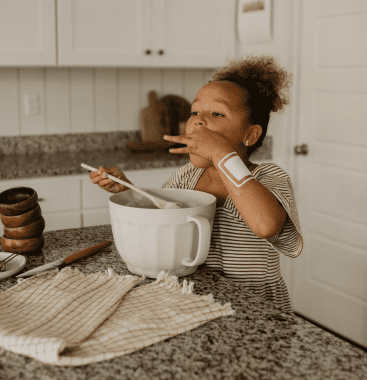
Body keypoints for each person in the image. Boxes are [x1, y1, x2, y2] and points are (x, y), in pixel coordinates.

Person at [89, 54, 303, 313]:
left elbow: (266, 225)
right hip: (200, 302)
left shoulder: (268, 177)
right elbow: (162, 213)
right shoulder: (188, 175)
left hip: (257, 309)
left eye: (217, 113)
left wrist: (222, 155)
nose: (199, 120)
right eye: (195, 111)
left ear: (250, 134)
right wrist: (126, 189)